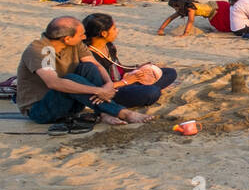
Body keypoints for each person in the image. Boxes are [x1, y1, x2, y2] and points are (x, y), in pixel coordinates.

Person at [15, 17, 152, 128]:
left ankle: (104, 112)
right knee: (70, 79)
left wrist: (109, 84)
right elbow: (54, 83)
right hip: (42, 110)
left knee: (88, 68)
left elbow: (95, 65)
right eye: (81, 34)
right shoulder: (39, 50)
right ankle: (122, 112)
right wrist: (98, 90)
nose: (84, 37)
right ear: (66, 39)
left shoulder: (76, 43)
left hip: (73, 101)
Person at [83, 13, 178, 108]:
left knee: (169, 72)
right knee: (152, 92)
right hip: (112, 91)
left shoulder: (109, 46)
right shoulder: (88, 55)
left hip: (125, 81)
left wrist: (137, 68)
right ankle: (145, 90)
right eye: (114, 29)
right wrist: (125, 82)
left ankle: (143, 88)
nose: (117, 31)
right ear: (104, 33)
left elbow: (118, 67)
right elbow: (97, 87)